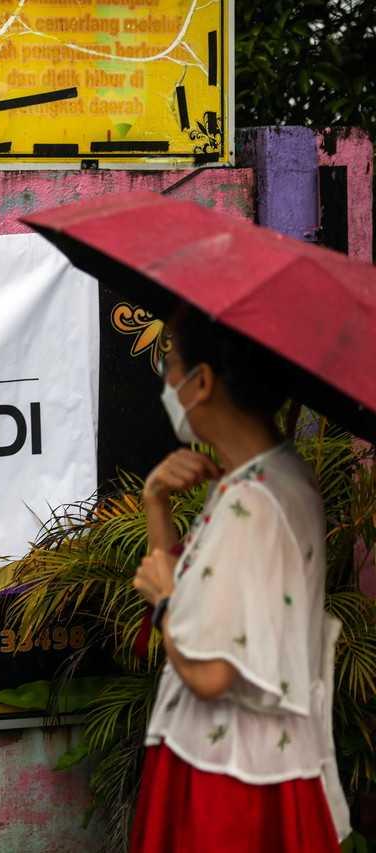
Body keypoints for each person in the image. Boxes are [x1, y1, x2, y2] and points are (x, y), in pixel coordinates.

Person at [129, 307, 350, 851]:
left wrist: (162, 601)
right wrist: (155, 503)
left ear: (200, 382)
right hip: (262, 763)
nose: (168, 383)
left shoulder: (250, 500)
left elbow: (209, 671)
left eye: (172, 367)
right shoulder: (278, 476)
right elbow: (208, 613)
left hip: (225, 784)